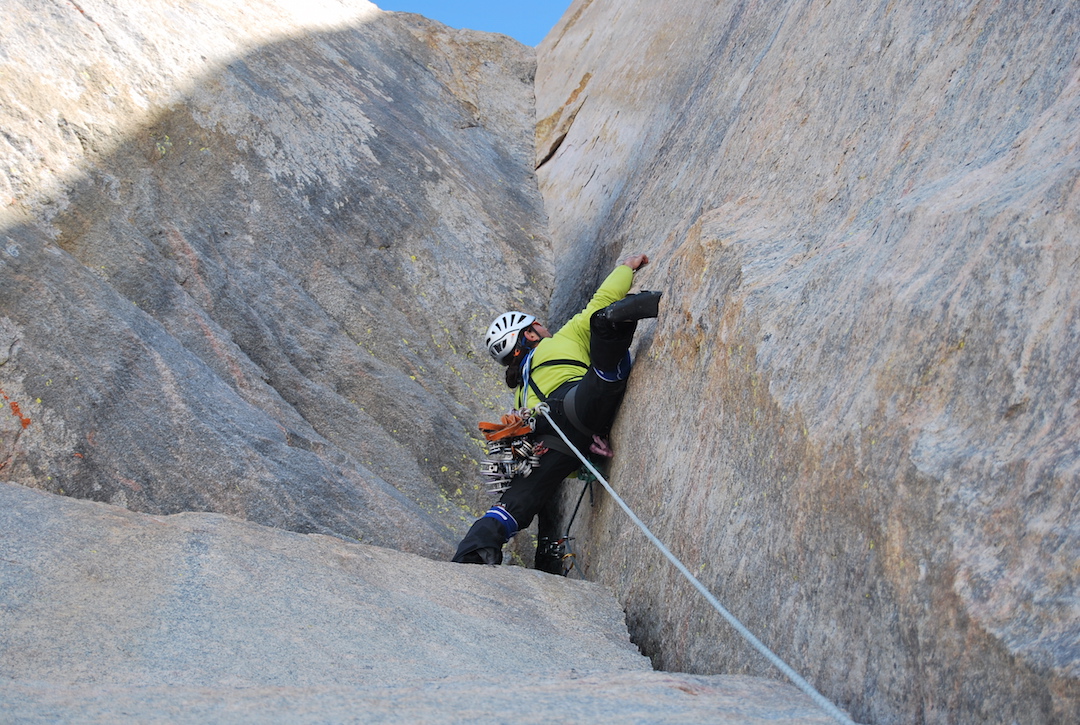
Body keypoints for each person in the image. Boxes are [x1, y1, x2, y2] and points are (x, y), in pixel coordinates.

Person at [452, 254, 661, 574]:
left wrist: (586, 463)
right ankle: (615, 324)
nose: (542, 326)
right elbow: (600, 299)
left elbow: (561, 465)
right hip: (577, 402)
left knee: (515, 503)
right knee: (604, 350)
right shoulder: (559, 341)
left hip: (549, 437)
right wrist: (626, 268)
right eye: (535, 325)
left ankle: (472, 552)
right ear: (530, 336)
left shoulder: (520, 395)